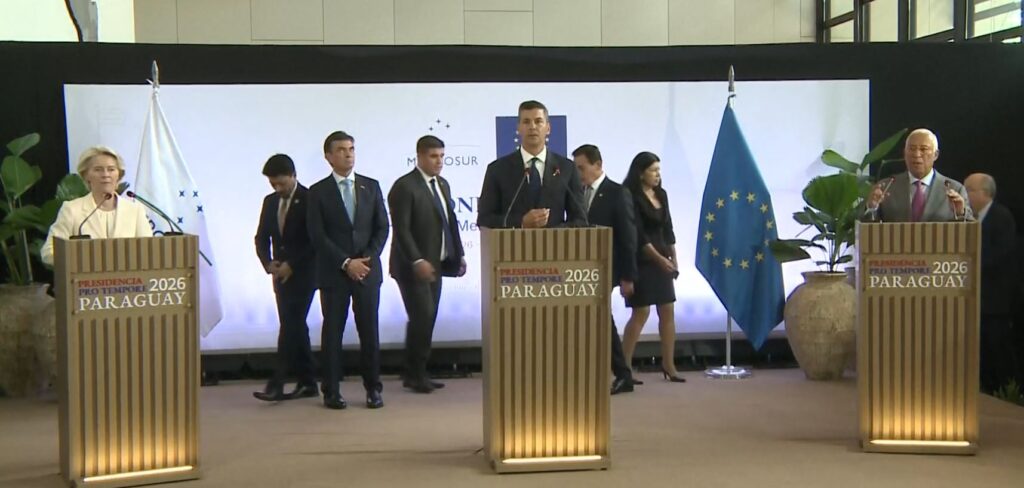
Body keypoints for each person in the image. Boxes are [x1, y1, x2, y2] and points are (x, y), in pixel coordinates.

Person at [307, 131, 389, 410]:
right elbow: (317, 235)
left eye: (352, 148)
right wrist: (346, 263)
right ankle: (331, 391)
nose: (348, 154)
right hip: (334, 274)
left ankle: (373, 389)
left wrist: (366, 260)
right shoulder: (317, 192)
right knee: (333, 334)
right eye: (341, 150)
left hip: (367, 272)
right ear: (329, 156)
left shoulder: (371, 186)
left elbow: (382, 227)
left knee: (370, 332)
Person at [388, 136, 467, 393]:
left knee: (426, 318)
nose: (439, 161)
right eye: (433, 156)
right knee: (421, 317)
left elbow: (450, 222)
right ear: (420, 156)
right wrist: (417, 260)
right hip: (412, 267)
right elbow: (401, 230)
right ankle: (416, 373)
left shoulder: (442, 184)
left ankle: (415, 372)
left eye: (442, 156)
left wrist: (458, 254)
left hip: (436, 265)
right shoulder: (404, 186)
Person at [572, 144, 641, 395]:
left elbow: (628, 237)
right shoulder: (577, 192)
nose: (578, 174)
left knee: (602, 321)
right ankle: (617, 373)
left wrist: (628, 276)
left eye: (581, 168)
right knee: (596, 321)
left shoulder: (617, 193)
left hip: (608, 268)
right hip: (581, 271)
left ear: (598, 165)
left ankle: (623, 374)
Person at [252, 154, 318, 402]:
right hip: (279, 275)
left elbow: (315, 240)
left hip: (305, 273)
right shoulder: (270, 202)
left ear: (294, 176)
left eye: (281, 183)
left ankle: (277, 383)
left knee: (291, 325)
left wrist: (293, 264)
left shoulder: (310, 199)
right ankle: (308, 382)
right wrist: (268, 263)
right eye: (273, 184)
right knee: (295, 327)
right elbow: (261, 237)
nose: (278, 188)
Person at [621, 151, 685, 383]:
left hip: (663, 258)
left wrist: (673, 258)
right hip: (642, 259)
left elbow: (668, 229)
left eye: (659, 170)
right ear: (641, 173)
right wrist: (660, 260)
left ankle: (669, 365)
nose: (658, 174)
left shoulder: (661, 194)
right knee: (641, 312)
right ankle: (624, 367)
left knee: (667, 310)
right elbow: (638, 235)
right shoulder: (629, 195)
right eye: (653, 170)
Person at [476, 100, 586, 229]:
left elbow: (581, 219)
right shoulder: (497, 169)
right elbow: (484, 219)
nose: (532, 127)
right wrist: (521, 222)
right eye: (526, 122)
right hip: (513, 242)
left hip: (556, 242)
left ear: (548, 128)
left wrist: (554, 233)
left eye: (538, 121)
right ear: (518, 128)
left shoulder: (567, 168)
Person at [41, 146, 152, 265]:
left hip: (128, 276)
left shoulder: (134, 211)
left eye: (111, 169)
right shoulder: (72, 210)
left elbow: (149, 251)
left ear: (119, 175)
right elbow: (49, 252)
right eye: (98, 170)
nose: (105, 174)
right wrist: (81, 259)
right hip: (85, 275)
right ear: (86, 175)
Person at [964, 173, 1018, 393]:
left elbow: (1001, 255)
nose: (964, 194)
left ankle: (1007, 395)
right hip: (977, 299)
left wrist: (968, 264)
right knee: (983, 353)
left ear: (985, 193)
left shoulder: (1000, 217)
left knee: (998, 351)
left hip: (997, 301)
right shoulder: (970, 219)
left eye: (969, 190)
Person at [866, 128, 973, 222]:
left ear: (935, 155)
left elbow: (970, 230)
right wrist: (871, 208)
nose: (916, 154)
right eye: (912, 149)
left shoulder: (955, 189)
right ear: (904, 153)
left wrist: (960, 213)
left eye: (923, 149)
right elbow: (866, 228)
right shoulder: (887, 187)